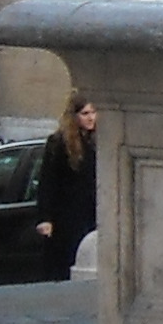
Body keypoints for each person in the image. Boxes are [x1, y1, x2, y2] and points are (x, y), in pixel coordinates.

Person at [32, 92, 98, 280]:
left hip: (92, 211)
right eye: (85, 113)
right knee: (66, 262)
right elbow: (48, 181)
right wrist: (45, 218)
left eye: (93, 112)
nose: (91, 118)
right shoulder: (58, 143)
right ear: (74, 116)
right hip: (67, 214)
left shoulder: (99, 141)